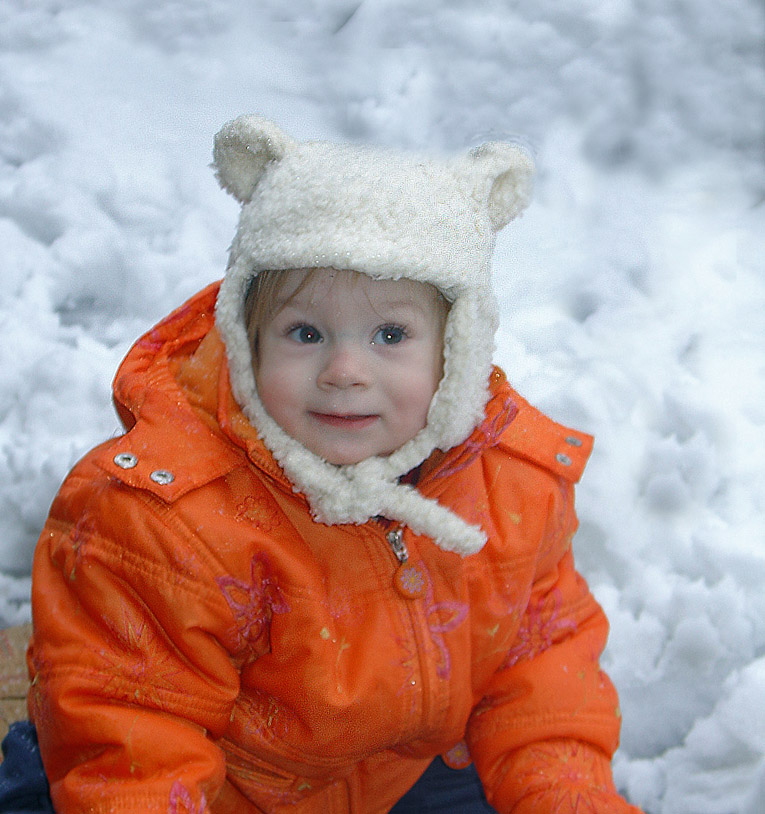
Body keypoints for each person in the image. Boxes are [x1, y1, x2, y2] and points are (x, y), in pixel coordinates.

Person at [7, 115, 644, 813]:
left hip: (392, 771)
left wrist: (563, 797)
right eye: (304, 333)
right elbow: (133, 733)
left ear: (456, 350)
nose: (344, 370)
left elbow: (538, 669)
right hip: (202, 784)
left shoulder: (506, 486)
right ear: (246, 340)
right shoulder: (158, 518)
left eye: (391, 334)